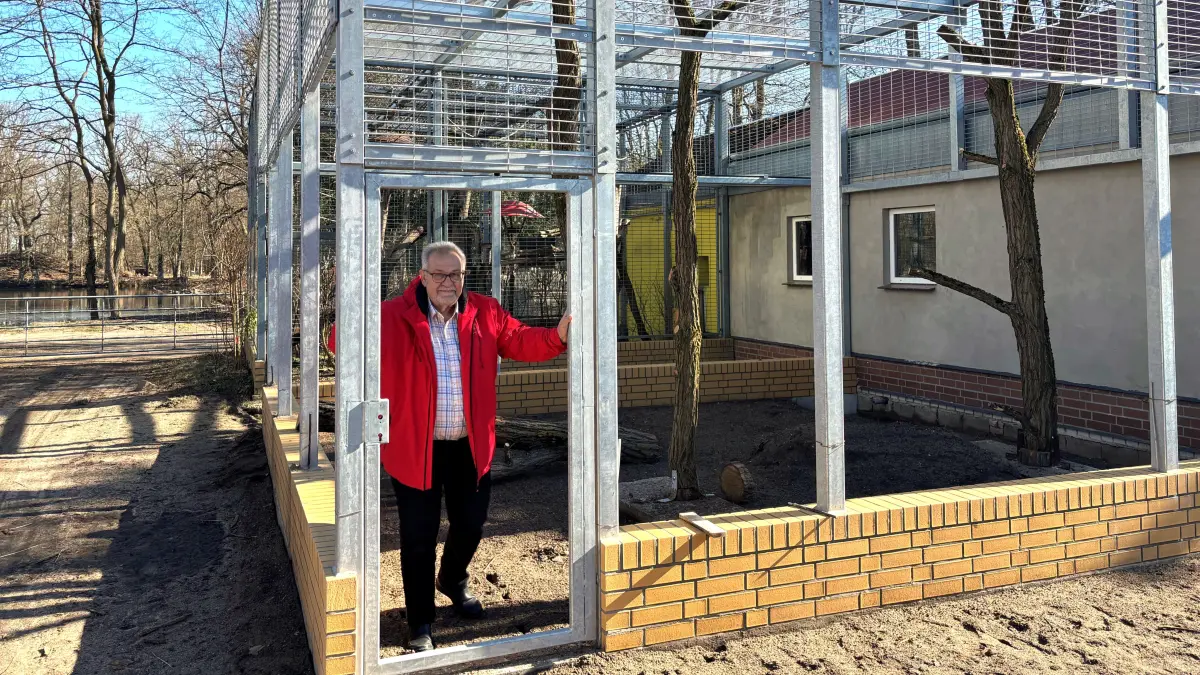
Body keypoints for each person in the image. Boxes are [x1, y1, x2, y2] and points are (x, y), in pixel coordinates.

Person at [327, 241, 569, 652]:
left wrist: (559, 334)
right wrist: (349, 306)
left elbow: (522, 340)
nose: (448, 282)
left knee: (471, 525)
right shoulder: (391, 316)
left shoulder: (485, 312)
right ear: (422, 276)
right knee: (418, 538)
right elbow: (340, 343)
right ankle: (420, 621)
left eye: (455, 274)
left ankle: (452, 579)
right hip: (414, 451)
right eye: (439, 274)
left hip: (469, 449)